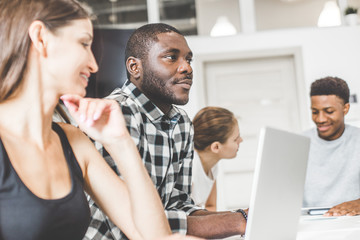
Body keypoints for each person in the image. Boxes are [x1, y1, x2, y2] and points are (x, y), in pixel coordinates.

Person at [0, 0, 180, 239]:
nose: (93, 65)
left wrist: (120, 142)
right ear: (40, 38)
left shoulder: (72, 142)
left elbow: (153, 236)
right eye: (84, 43)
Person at [87, 23, 248, 240]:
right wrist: (235, 222)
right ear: (135, 67)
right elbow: (125, 221)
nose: (187, 68)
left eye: (188, 59)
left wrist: (242, 216)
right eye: (172, 57)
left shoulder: (181, 123)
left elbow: (178, 205)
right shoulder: (116, 113)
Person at [303, 76, 360, 216]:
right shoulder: (298, 143)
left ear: (345, 108)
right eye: (315, 112)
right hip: (309, 223)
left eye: (329, 111)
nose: (320, 119)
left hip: (352, 222)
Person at [191, 107, 243, 211]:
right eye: (235, 139)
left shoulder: (213, 166)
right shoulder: (191, 171)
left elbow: (210, 206)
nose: (241, 140)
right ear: (216, 147)